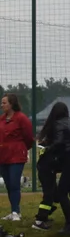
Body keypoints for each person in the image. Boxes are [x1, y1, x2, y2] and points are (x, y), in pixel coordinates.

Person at [31, 102, 70, 232]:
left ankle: (45, 213)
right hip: (46, 167)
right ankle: (40, 220)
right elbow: (58, 144)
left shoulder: (55, 126)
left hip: (47, 166)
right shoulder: (63, 126)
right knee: (49, 194)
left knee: (55, 195)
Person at [0, 93, 34, 221]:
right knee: (8, 184)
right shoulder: (2, 119)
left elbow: (29, 137)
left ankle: (15, 211)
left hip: (16, 156)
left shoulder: (21, 118)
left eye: (4, 103)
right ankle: (15, 211)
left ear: (11, 104)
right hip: (3, 156)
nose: (2, 105)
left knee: (14, 183)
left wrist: (22, 149)